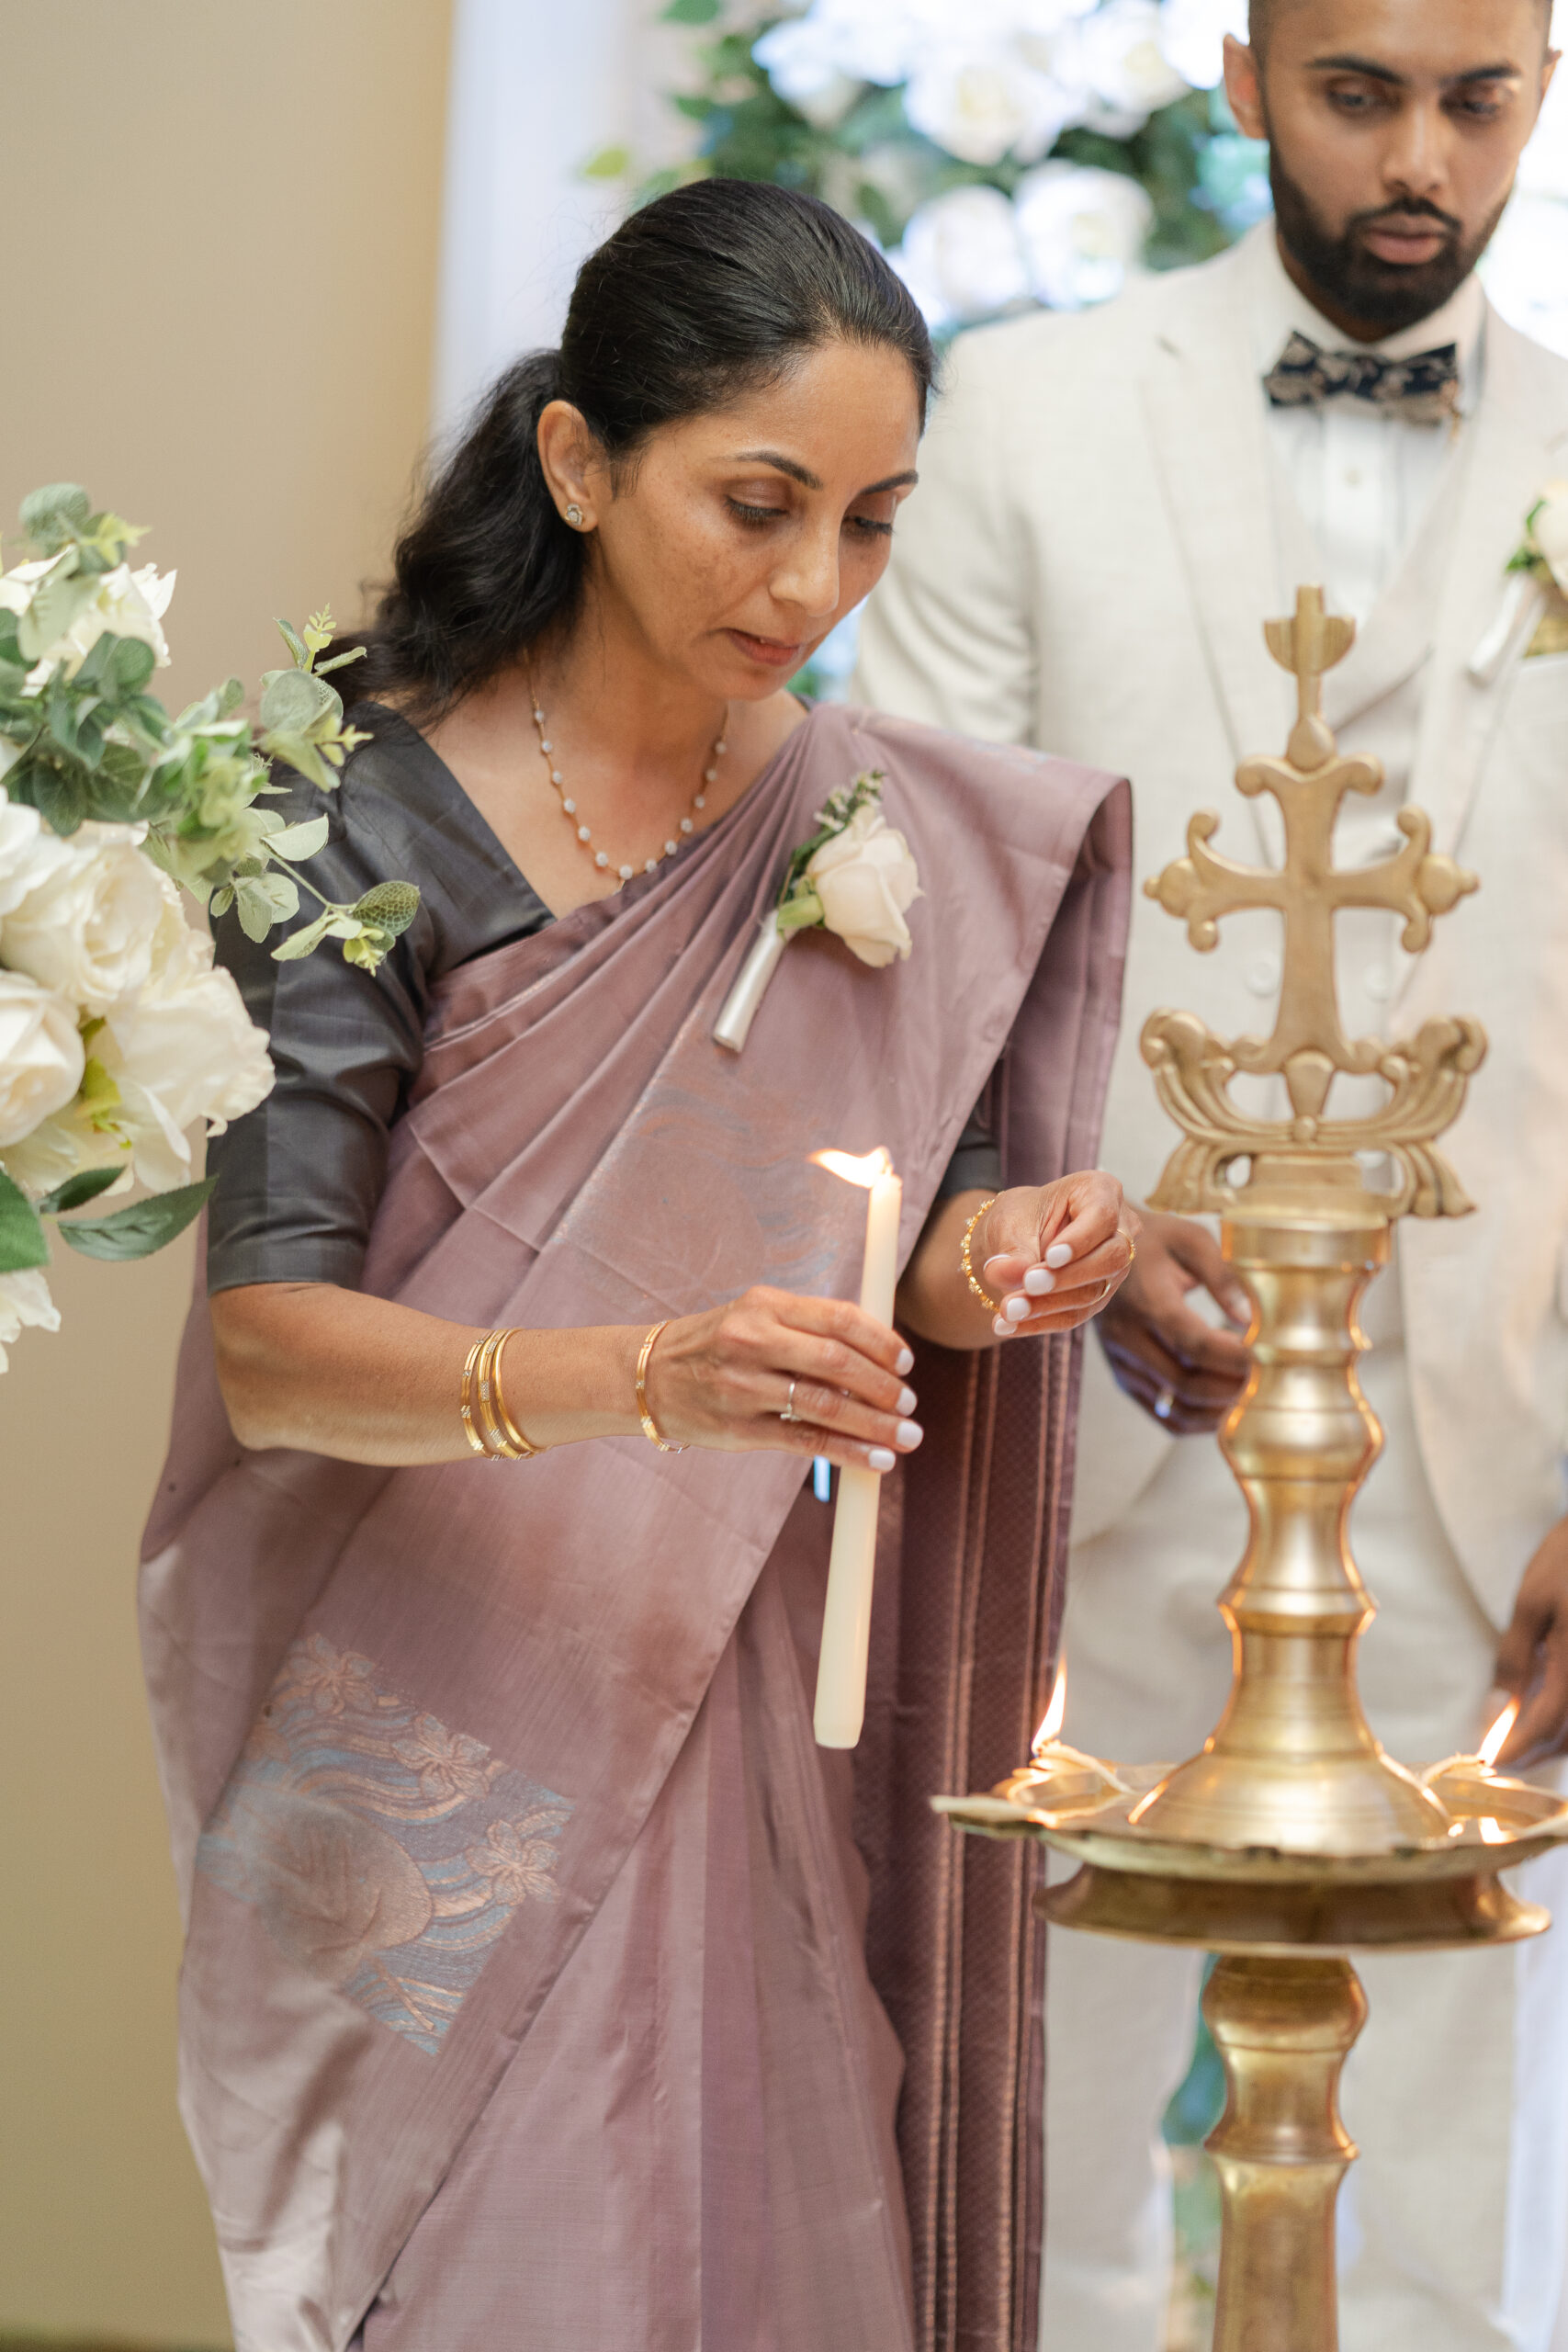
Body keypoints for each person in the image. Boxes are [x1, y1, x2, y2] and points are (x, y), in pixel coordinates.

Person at [140, 181, 1136, 2352]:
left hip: (720, 1685)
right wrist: (653, 1373)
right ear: (582, 461)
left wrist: (1012, 1251)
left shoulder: (859, 824)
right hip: (422, 1716)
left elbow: (912, 1244)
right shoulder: (350, 814)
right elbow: (277, 1351)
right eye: (756, 503)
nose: (812, 586)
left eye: (870, 521)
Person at [854, 4, 1568, 2347]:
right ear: (1247, 72)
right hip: (1085, 1401)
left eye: (1479, 100)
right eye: (1359, 92)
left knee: (1436, 2214)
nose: (1420, 162)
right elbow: (915, 925)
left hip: (1484, 1447)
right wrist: (1029, 1252)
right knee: (1011, 2159)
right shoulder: (1031, 417)